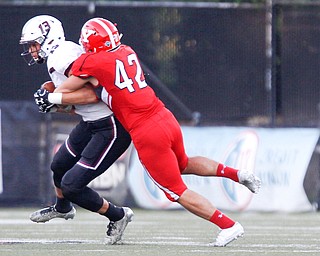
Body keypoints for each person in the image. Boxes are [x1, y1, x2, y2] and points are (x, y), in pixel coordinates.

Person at [35, 17, 261, 247]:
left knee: (175, 191)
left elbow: (66, 89)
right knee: (182, 163)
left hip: (146, 130)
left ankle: (228, 225)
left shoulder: (92, 62)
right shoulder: (127, 51)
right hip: (163, 115)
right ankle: (238, 174)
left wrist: (51, 96)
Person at [20, 15, 133, 245]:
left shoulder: (63, 57)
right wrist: (56, 102)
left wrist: (53, 97)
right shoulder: (59, 54)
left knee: (72, 185)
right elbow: (75, 103)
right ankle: (63, 208)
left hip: (110, 126)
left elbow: (95, 93)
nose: (32, 51)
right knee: (58, 165)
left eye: (34, 44)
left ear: (48, 38)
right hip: (91, 122)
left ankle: (118, 215)